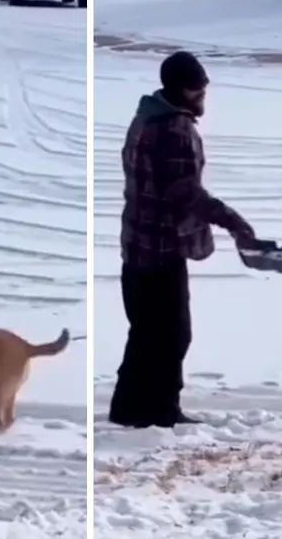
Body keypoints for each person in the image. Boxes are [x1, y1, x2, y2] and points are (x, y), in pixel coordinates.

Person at [108, 51, 256, 429]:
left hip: (135, 245)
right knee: (173, 336)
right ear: (181, 90)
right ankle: (160, 411)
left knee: (144, 332)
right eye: (197, 87)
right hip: (161, 249)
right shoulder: (175, 129)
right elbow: (185, 193)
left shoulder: (144, 118)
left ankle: (127, 408)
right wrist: (233, 222)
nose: (203, 93)